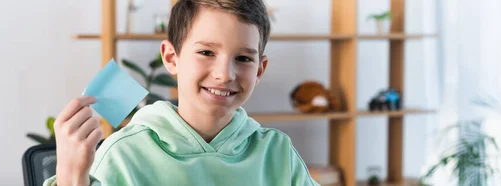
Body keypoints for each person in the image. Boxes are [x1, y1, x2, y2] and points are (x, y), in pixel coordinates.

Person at [44, 0, 319, 185]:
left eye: (244, 59)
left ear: (260, 69)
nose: (225, 74)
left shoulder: (278, 153)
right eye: (206, 52)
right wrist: (70, 177)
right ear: (172, 57)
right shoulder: (124, 155)